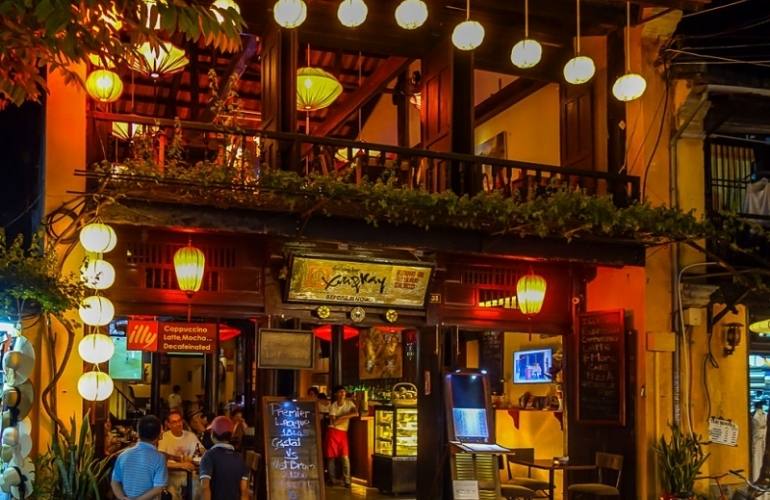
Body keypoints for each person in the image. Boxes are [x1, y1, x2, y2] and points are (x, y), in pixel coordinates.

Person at [111, 415, 168, 500]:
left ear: (138, 433)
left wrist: (122, 498)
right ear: (160, 435)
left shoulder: (123, 455)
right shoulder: (159, 458)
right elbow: (158, 488)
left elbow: (114, 482)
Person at [199, 416, 249, 500]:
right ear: (231, 435)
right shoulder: (239, 458)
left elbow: (205, 487)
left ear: (212, 434)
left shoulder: (209, 456)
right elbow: (244, 490)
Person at [159, 409, 204, 500]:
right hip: (171, 474)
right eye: (174, 422)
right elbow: (161, 460)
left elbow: (201, 450)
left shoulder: (190, 435)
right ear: (168, 424)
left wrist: (199, 452)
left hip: (190, 473)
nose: (178, 424)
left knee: (198, 487)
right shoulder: (164, 437)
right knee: (172, 492)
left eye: (179, 421)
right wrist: (182, 464)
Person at [326, 385, 358, 487]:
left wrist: (342, 417)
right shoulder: (333, 406)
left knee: (345, 457)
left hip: (343, 432)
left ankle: (347, 480)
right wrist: (347, 416)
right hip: (333, 432)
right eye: (340, 392)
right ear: (336, 394)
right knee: (331, 457)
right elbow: (334, 422)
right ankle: (332, 479)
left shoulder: (349, 403)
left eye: (343, 392)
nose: (342, 394)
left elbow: (356, 413)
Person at [753, 400, 767, 481]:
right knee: (758, 459)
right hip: (758, 440)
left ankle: (758, 477)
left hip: (759, 440)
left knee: (758, 459)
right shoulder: (758, 416)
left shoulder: (762, 415)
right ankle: (757, 477)